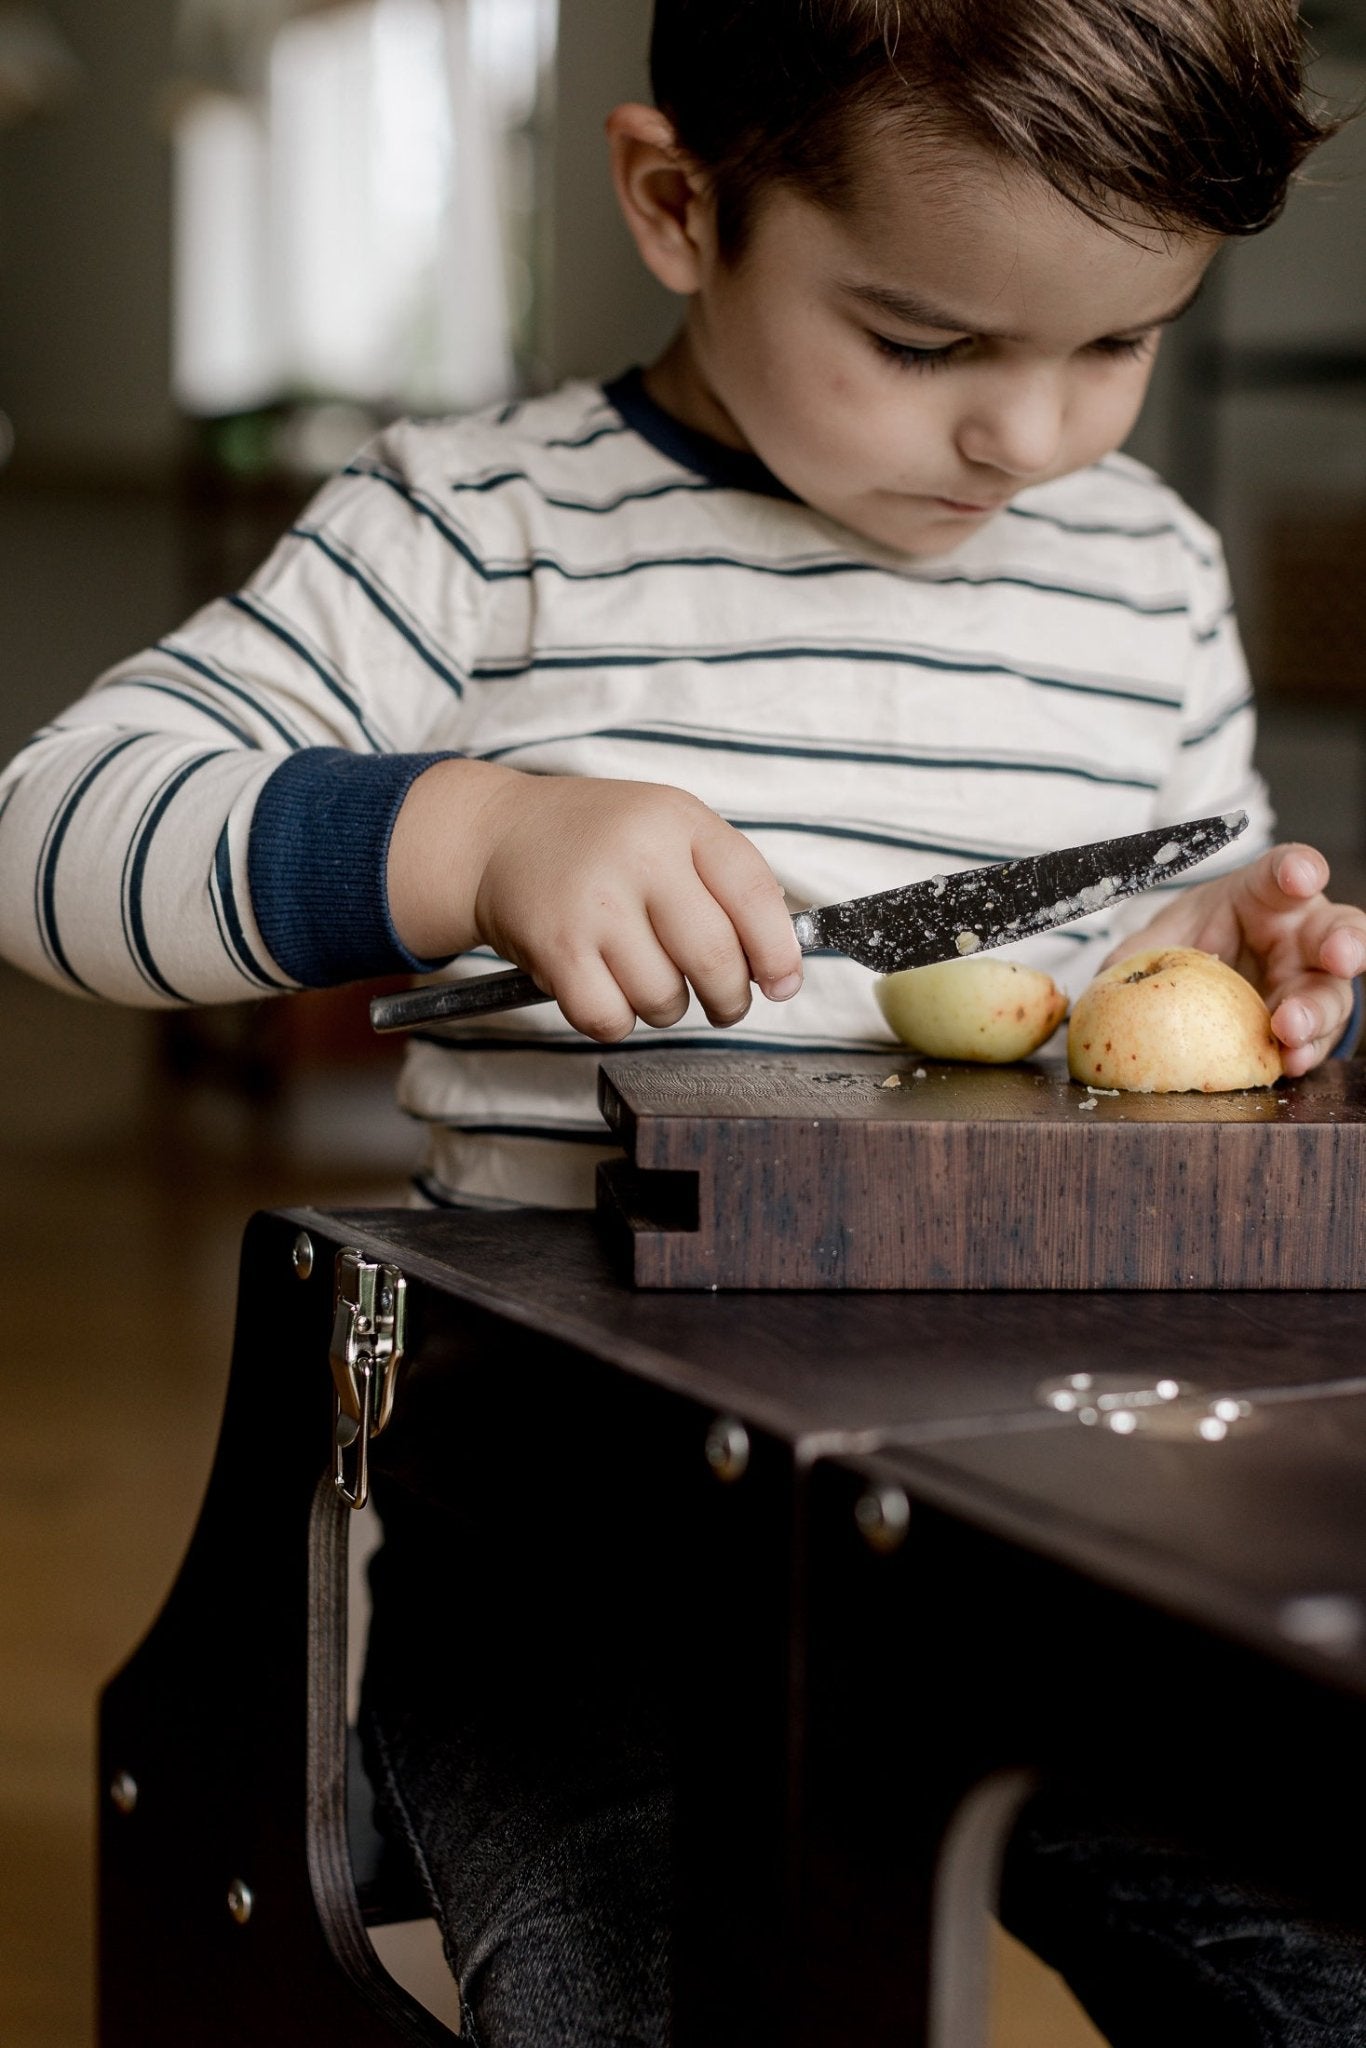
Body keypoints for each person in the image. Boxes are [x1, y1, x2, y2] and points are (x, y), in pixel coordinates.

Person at [3, 0, 1365, 2040]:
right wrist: (460, 835)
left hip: (1042, 1526)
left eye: (1117, 340)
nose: (1029, 434)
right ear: (675, 203)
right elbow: (52, 834)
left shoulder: (1139, 569)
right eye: (920, 344)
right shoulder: (478, 535)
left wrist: (1214, 954)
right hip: (585, 1554)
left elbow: (1141, 940)